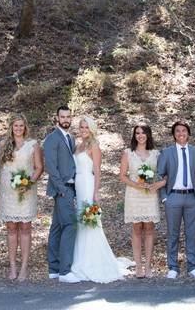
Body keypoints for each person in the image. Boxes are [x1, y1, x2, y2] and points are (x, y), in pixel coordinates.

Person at [68, 116, 133, 282]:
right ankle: (80, 259)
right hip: (78, 185)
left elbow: (97, 170)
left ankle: (92, 261)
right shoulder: (78, 145)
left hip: (89, 185)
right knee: (81, 222)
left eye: (86, 127)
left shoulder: (94, 145)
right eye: (81, 127)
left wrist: (96, 192)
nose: (83, 130)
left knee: (90, 222)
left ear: (92, 129)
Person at [158, 120, 195, 280]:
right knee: (173, 233)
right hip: (173, 197)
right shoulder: (167, 152)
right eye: (177, 131)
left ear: (188, 133)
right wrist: (165, 197)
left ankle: (192, 266)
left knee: (191, 233)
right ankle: (173, 267)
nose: (181, 133)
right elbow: (159, 175)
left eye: (184, 131)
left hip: (192, 197)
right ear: (174, 134)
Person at [0, 114, 44, 281]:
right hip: (8, 192)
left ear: (25, 128)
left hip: (26, 191)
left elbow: (39, 168)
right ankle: (12, 267)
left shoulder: (33, 145)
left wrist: (28, 183)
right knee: (11, 229)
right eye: (15, 126)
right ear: (11, 127)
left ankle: (24, 267)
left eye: (21, 126)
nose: (18, 128)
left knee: (25, 228)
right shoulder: (3, 144)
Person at [118, 123, 162, 278]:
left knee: (149, 228)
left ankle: (148, 266)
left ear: (148, 135)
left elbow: (163, 174)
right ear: (134, 135)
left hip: (150, 195)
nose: (140, 135)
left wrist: (156, 184)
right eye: (137, 133)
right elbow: (122, 176)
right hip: (134, 194)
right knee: (137, 229)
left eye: (143, 132)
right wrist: (137, 184)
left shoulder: (156, 154)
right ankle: (138, 266)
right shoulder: (128, 153)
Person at [43, 105, 79, 284]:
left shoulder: (70, 138)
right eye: (62, 117)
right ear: (57, 118)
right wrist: (62, 190)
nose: (65, 119)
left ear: (71, 118)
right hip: (62, 189)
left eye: (68, 116)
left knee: (57, 227)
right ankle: (65, 271)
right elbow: (51, 167)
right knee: (70, 225)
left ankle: (54, 269)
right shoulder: (52, 139)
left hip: (70, 188)